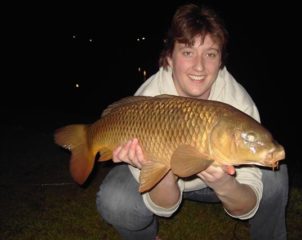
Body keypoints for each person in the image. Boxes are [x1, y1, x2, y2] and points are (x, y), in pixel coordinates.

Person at [96, 3, 288, 240]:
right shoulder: (148, 99)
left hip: (217, 184)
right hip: (168, 181)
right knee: (116, 200)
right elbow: (165, 204)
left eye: (210, 54)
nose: (199, 66)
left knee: (276, 176)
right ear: (169, 57)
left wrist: (224, 184)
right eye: (188, 52)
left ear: (221, 61)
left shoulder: (238, 104)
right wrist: (157, 165)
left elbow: (243, 207)